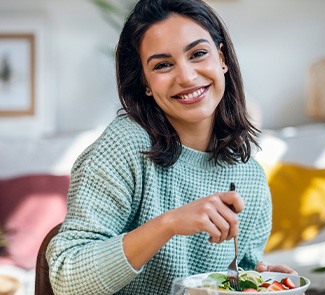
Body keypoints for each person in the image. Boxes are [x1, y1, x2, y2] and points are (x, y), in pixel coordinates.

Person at [46, 0, 296, 294]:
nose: (187, 77)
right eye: (163, 65)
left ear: (222, 59)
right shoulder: (124, 146)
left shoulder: (249, 178)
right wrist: (169, 224)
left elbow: (235, 274)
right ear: (146, 83)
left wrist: (259, 280)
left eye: (198, 54)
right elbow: (67, 277)